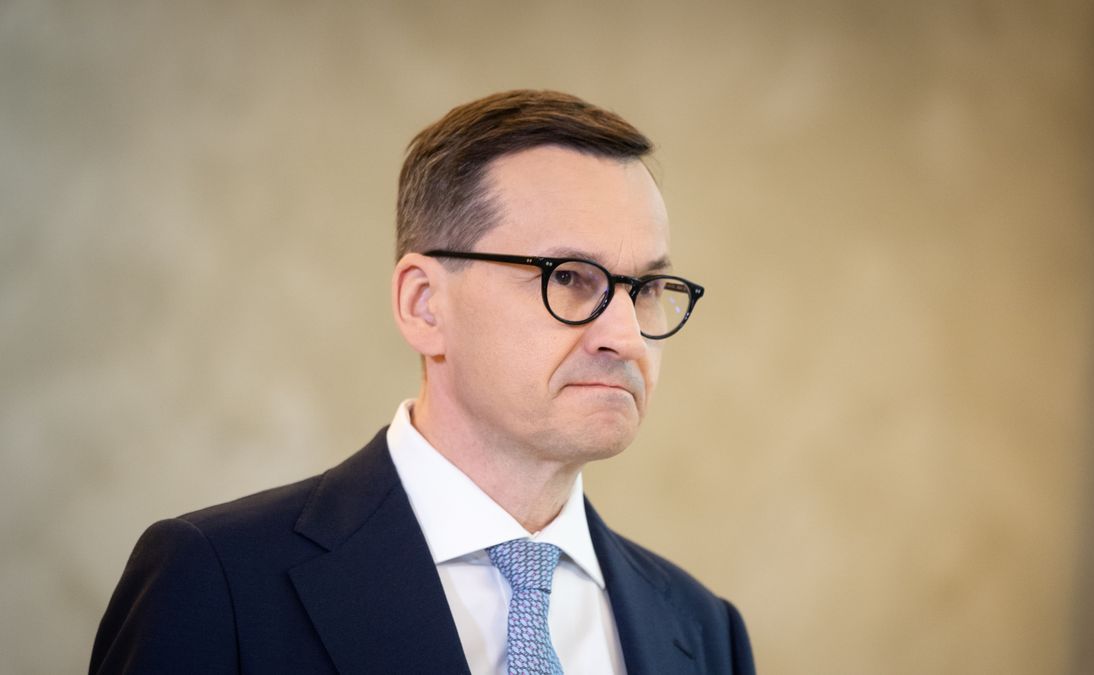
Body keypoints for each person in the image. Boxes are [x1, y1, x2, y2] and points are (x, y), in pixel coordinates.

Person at [90, 89, 754, 675]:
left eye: (645, 288)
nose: (626, 336)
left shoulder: (703, 630)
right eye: (570, 278)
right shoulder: (218, 581)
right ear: (423, 304)